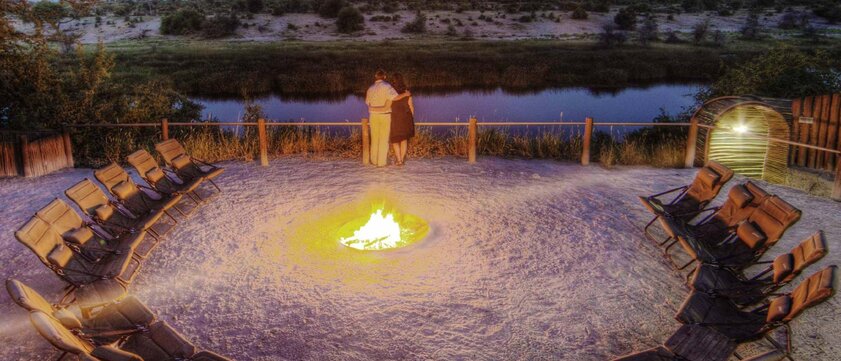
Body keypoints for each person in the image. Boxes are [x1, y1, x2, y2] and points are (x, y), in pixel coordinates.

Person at [365, 70, 408, 167]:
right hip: (384, 115)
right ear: (384, 76)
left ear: (376, 77)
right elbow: (395, 97)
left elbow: (367, 102)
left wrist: (374, 107)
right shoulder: (387, 87)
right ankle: (381, 162)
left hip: (373, 116)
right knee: (383, 139)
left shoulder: (370, 88)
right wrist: (405, 94)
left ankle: (374, 160)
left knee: (375, 138)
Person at [388, 73, 415, 166]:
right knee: (404, 139)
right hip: (405, 117)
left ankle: (398, 160)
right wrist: (411, 118)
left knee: (395, 139)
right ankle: (402, 160)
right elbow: (411, 106)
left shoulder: (390, 92)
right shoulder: (407, 92)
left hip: (394, 117)